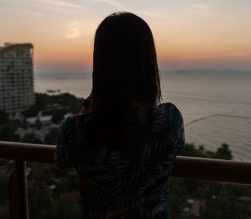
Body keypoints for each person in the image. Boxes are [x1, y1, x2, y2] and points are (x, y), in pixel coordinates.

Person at [55, 12, 184, 218]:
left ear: (100, 63)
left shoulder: (74, 130)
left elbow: (61, 162)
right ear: (147, 61)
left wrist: (92, 98)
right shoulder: (169, 120)